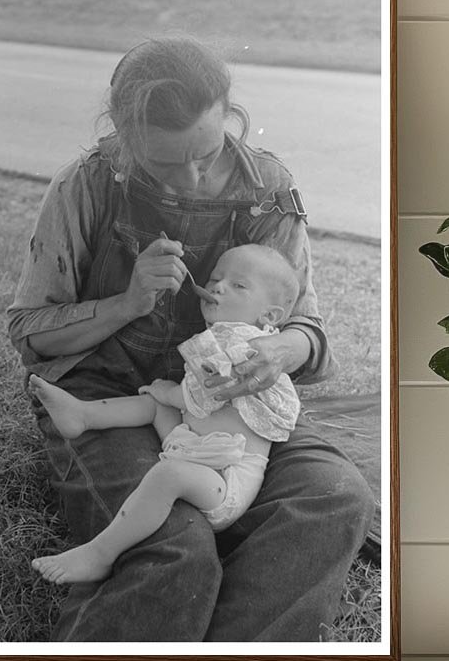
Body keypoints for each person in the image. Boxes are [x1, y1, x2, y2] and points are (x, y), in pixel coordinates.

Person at [7, 36, 375, 642]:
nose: (192, 178)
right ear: (124, 134)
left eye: (205, 152)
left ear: (230, 116)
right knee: (176, 547)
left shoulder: (267, 187)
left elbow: (310, 333)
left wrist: (282, 350)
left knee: (336, 500)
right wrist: (126, 303)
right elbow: (31, 336)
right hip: (114, 394)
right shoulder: (86, 186)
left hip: (237, 407)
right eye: (163, 164)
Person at [29, 244, 302, 585]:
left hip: (223, 482)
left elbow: (206, 395)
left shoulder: (251, 348)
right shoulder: (224, 337)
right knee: (155, 405)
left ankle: (100, 553)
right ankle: (82, 415)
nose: (217, 287)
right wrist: (166, 397)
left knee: (167, 471)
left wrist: (170, 393)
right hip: (194, 444)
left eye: (238, 286)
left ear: (270, 316)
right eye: (216, 278)